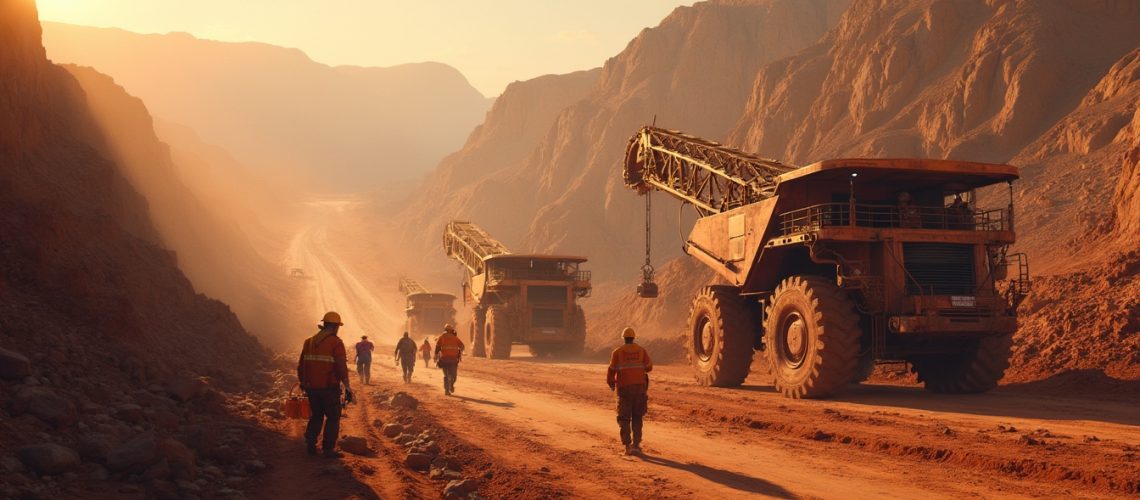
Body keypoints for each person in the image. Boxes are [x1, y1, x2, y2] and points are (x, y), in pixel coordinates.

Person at [297, 311, 354, 458]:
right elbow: (341, 366)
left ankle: (310, 443)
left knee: (316, 415)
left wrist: (303, 382)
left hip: (311, 387)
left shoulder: (308, 341)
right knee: (333, 417)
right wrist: (347, 386)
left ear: (324, 324)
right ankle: (328, 449)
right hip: (329, 387)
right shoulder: (336, 342)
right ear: (335, 326)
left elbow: (301, 364)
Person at [607, 327, 653, 456]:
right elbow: (649, 367)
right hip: (640, 389)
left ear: (624, 338)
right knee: (637, 416)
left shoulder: (617, 352)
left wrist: (611, 384)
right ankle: (636, 445)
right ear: (633, 338)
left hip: (624, 390)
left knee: (624, 418)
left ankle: (627, 446)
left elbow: (611, 370)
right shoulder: (641, 350)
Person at [433, 324, 465, 395]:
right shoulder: (454, 338)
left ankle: (447, 389)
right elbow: (462, 346)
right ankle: (450, 386)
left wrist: (436, 356)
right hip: (453, 360)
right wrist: (461, 351)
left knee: (446, 376)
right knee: (453, 376)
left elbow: (437, 347)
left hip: (445, 360)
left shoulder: (442, 337)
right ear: (452, 330)